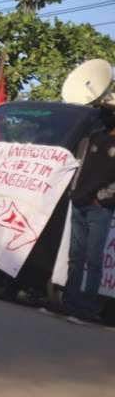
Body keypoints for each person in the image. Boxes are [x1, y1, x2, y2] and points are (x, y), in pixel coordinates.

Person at [51, 115, 115, 323]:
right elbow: (81, 165)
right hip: (79, 203)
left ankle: (86, 307)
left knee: (93, 259)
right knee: (75, 256)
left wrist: (101, 198)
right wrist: (74, 191)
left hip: (99, 209)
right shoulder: (93, 138)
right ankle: (70, 301)